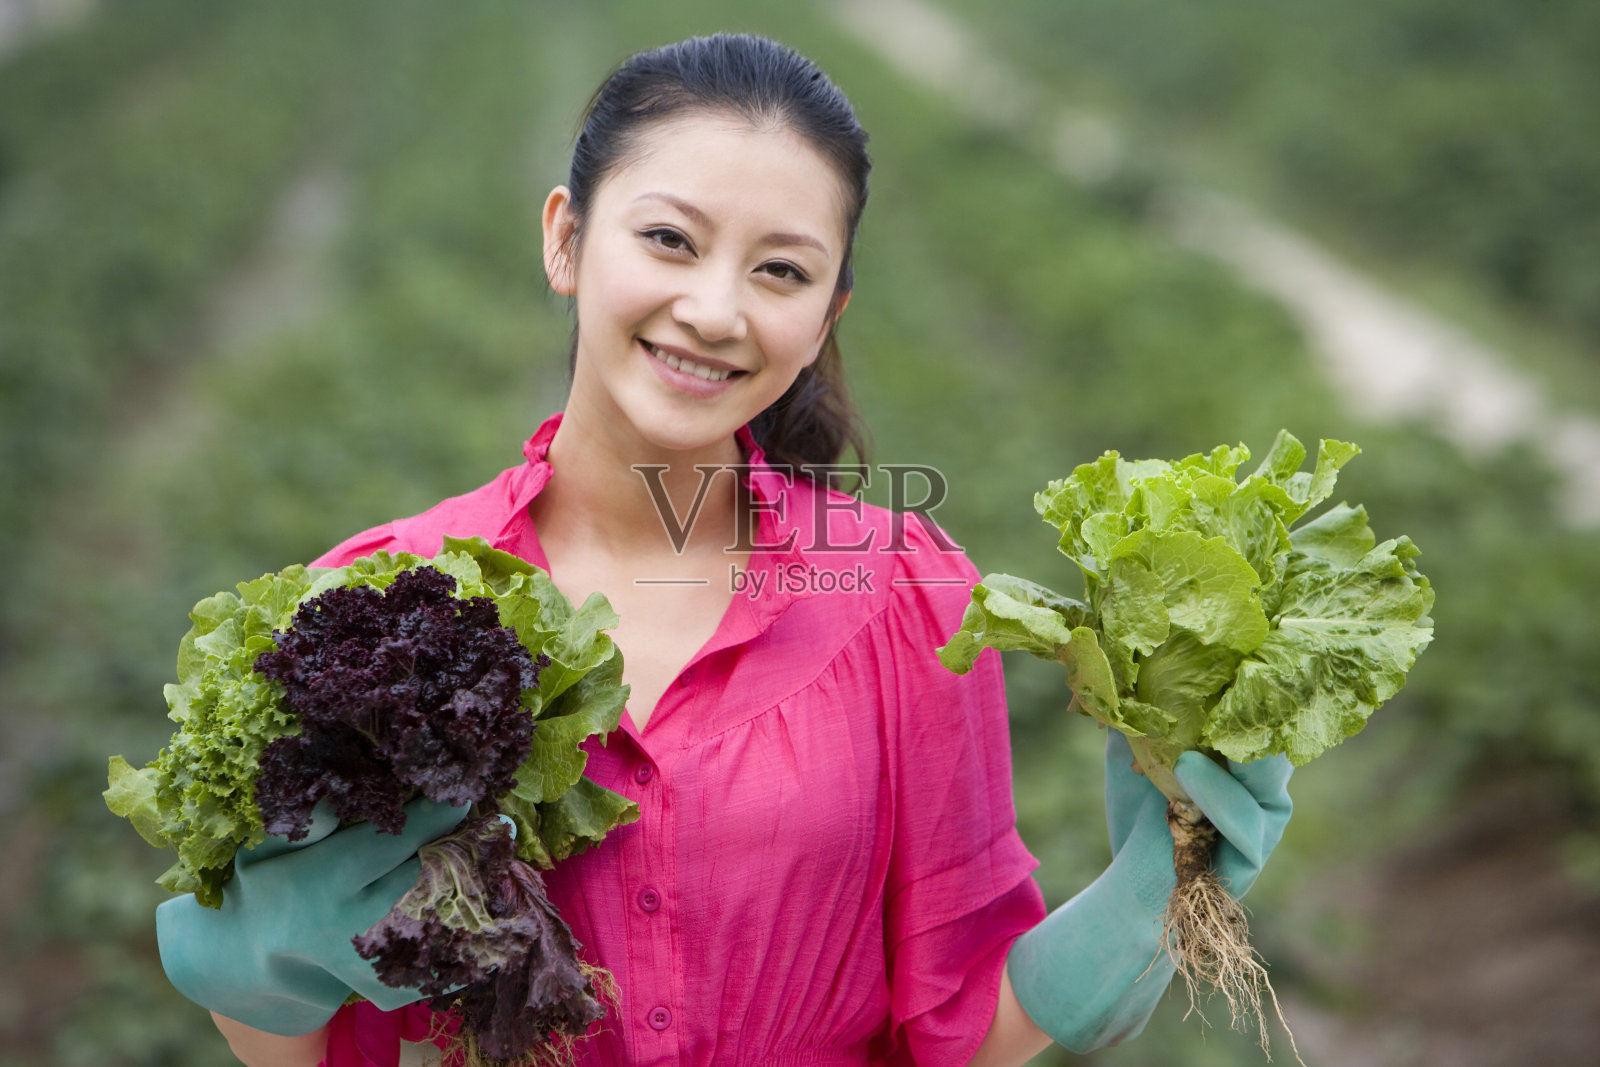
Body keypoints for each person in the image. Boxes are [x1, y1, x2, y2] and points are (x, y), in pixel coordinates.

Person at [154, 32, 1293, 1067]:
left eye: (780, 270)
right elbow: (309, 1047)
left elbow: (958, 1031)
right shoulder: (379, 604)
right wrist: (262, 967)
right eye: (668, 239)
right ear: (565, 238)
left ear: (826, 317)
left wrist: (1150, 894)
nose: (714, 309)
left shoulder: (909, 597)